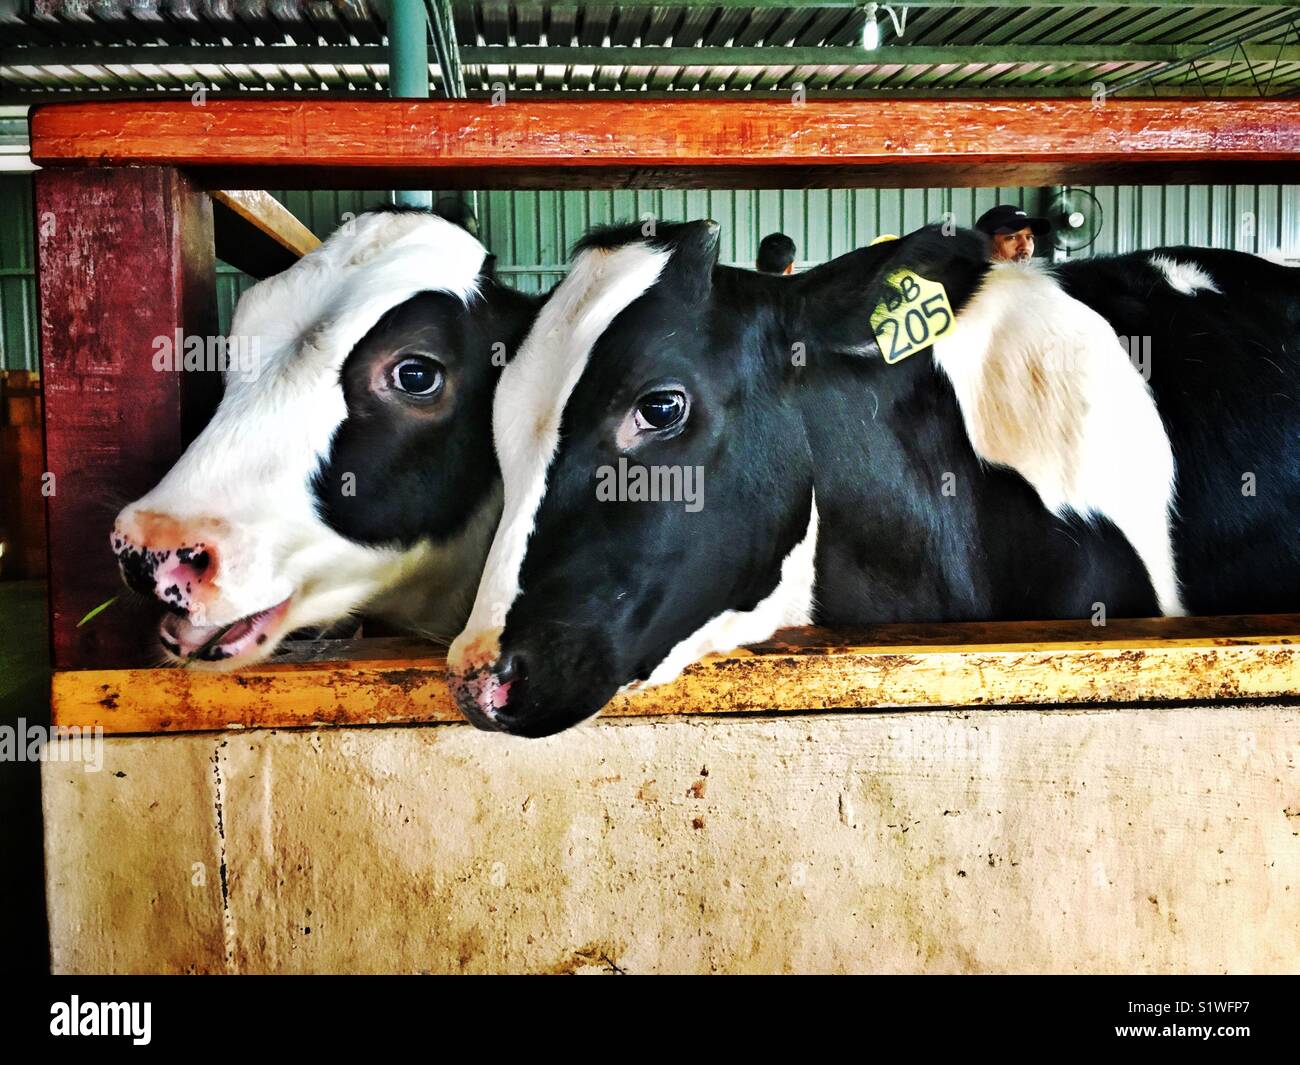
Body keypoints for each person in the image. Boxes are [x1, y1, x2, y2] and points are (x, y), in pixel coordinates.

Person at [974, 204, 1051, 262]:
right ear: (986, 245)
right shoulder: (973, 282)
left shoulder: (1039, 281)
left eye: (1029, 237)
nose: (1025, 246)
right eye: (1012, 237)